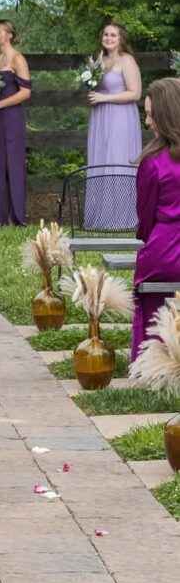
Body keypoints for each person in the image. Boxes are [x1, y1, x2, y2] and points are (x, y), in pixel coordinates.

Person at [131, 78, 180, 361]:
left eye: (152, 115)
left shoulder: (153, 162)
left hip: (164, 253)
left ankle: (153, 362)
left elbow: (145, 220)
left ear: (168, 114)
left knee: (151, 298)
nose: (148, 121)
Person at [85, 22, 142, 230]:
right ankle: (100, 216)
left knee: (117, 159)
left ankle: (121, 217)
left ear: (121, 39)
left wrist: (104, 98)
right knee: (101, 159)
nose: (108, 38)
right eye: (106, 34)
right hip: (100, 117)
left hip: (120, 117)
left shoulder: (127, 60)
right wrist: (94, 96)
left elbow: (135, 93)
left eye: (113, 35)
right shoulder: (100, 61)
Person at [0, 20, 32, 225]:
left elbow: (26, 92)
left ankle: (15, 215)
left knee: (12, 161)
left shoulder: (17, 59)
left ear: (9, 35)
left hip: (11, 116)